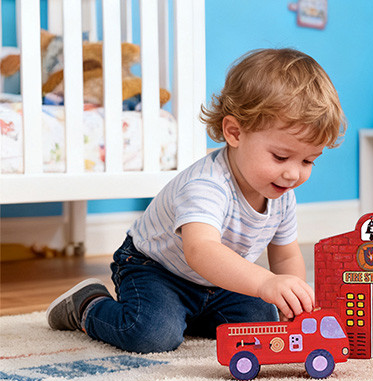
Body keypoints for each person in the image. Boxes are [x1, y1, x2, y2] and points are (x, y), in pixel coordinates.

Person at [45, 48, 346, 354]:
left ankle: (188, 315)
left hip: (219, 283)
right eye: (281, 156)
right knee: (152, 333)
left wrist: (291, 301)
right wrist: (264, 283)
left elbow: (285, 256)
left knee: (263, 321)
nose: (293, 173)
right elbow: (201, 251)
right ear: (234, 132)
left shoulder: (281, 194)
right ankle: (88, 304)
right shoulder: (207, 184)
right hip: (156, 269)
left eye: (309, 161)